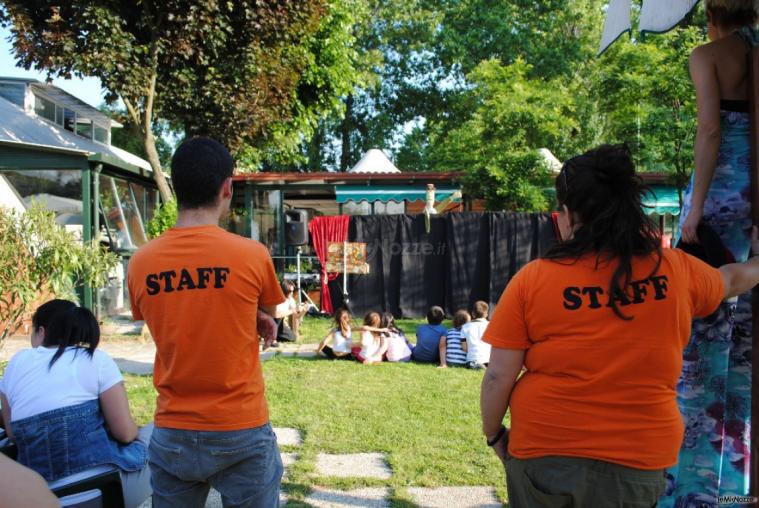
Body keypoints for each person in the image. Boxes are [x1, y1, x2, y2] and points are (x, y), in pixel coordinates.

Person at [480, 145, 759, 507]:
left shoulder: (533, 280)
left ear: (567, 215)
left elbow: (499, 376)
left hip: (545, 454)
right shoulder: (673, 270)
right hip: (638, 460)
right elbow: (732, 279)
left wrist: (494, 434)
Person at [127, 137, 287, 508]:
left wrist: (249, 312)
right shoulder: (251, 255)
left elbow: (172, 312)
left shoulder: (141, 263)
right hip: (241, 427)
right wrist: (257, 313)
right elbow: (265, 307)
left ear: (175, 185)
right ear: (227, 187)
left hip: (173, 429)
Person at [666, 1, 758, 503]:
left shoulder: (707, 55)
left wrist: (694, 212)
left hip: (721, 196)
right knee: (745, 347)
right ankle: (736, 492)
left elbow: (710, 130)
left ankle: (694, 487)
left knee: (701, 336)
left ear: (711, 12)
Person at [0, 300, 151, 508]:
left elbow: (12, 434)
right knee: (157, 434)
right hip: (103, 493)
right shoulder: (96, 359)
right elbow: (125, 433)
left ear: (41, 331)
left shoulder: (16, 363)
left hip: (37, 497)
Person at [273, 279, 310, 344]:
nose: (292, 293)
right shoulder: (276, 298)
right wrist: (293, 310)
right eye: (290, 291)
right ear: (284, 291)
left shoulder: (291, 300)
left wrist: (303, 311)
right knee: (278, 318)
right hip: (270, 322)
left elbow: (296, 316)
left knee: (293, 337)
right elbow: (276, 314)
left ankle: (277, 336)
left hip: (280, 326)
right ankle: (272, 338)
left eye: (293, 291)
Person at [462, 301, 491, 370]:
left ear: (472, 314)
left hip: (471, 360)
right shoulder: (491, 326)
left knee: (473, 364)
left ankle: (479, 365)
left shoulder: (465, 327)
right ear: (486, 315)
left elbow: (464, 348)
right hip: (489, 360)